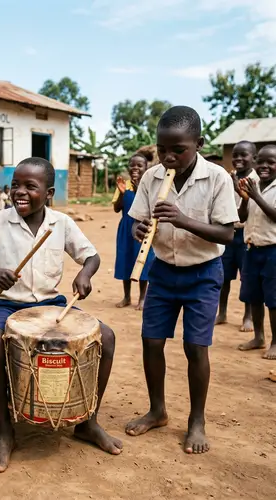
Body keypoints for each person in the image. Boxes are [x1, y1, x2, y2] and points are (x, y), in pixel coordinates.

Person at [0, 157, 122, 473]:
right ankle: (5, 433)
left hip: (51, 305)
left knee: (106, 336)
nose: (20, 192)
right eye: (15, 186)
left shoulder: (61, 223)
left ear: (48, 193)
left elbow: (91, 256)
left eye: (29, 187)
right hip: (7, 305)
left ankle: (88, 422)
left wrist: (85, 275)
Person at [125, 106, 239, 454]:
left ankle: (197, 420)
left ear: (199, 144)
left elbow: (226, 234)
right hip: (162, 271)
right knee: (151, 342)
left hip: (203, 274)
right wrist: (139, 228)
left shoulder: (217, 177)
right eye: (163, 150)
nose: (169, 157)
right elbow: (136, 222)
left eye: (179, 150)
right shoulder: (151, 177)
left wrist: (182, 219)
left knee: (195, 347)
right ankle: (158, 410)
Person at [237, 144, 276, 360]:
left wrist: (255, 196)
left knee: (273, 299)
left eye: (271, 162)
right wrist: (245, 198)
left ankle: (275, 342)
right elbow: (243, 217)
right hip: (251, 249)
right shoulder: (253, 186)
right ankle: (259, 337)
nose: (264, 166)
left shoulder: (265, 189)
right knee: (254, 296)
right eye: (260, 161)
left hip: (273, 252)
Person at [215, 141, 257, 332]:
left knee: (246, 277)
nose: (238, 159)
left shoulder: (256, 181)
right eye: (235, 155)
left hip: (248, 234)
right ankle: (221, 312)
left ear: (253, 159)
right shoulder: (226, 178)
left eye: (244, 155)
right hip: (227, 233)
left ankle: (247, 316)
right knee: (223, 276)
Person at [113, 153, 154, 310]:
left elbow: (149, 207)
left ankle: (142, 298)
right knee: (126, 260)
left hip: (143, 227)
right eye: (132, 165)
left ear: (146, 168)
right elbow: (117, 208)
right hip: (125, 228)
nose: (135, 168)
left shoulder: (148, 185)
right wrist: (122, 193)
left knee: (142, 261)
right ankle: (126, 297)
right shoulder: (124, 184)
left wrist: (137, 188)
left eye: (139, 165)